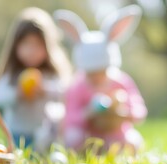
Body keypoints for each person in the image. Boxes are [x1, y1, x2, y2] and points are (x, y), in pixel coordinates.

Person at [55, 5, 147, 154]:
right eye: (91, 74)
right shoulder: (78, 85)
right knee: (72, 138)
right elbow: (69, 116)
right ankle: (86, 153)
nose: (97, 78)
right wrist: (87, 113)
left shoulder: (121, 82)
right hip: (89, 135)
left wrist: (126, 112)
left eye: (101, 72)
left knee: (134, 142)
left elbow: (138, 107)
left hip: (116, 133)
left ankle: (118, 152)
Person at [0, 7, 72, 150]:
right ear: (15, 45)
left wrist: (45, 90)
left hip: (44, 135)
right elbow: (0, 96)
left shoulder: (50, 73)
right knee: (17, 157)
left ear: (48, 47)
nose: (31, 51)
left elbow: (66, 91)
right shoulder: (12, 73)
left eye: (37, 45)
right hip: (15, 134)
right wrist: (18, 94)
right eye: (26, 44)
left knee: (45, 155)